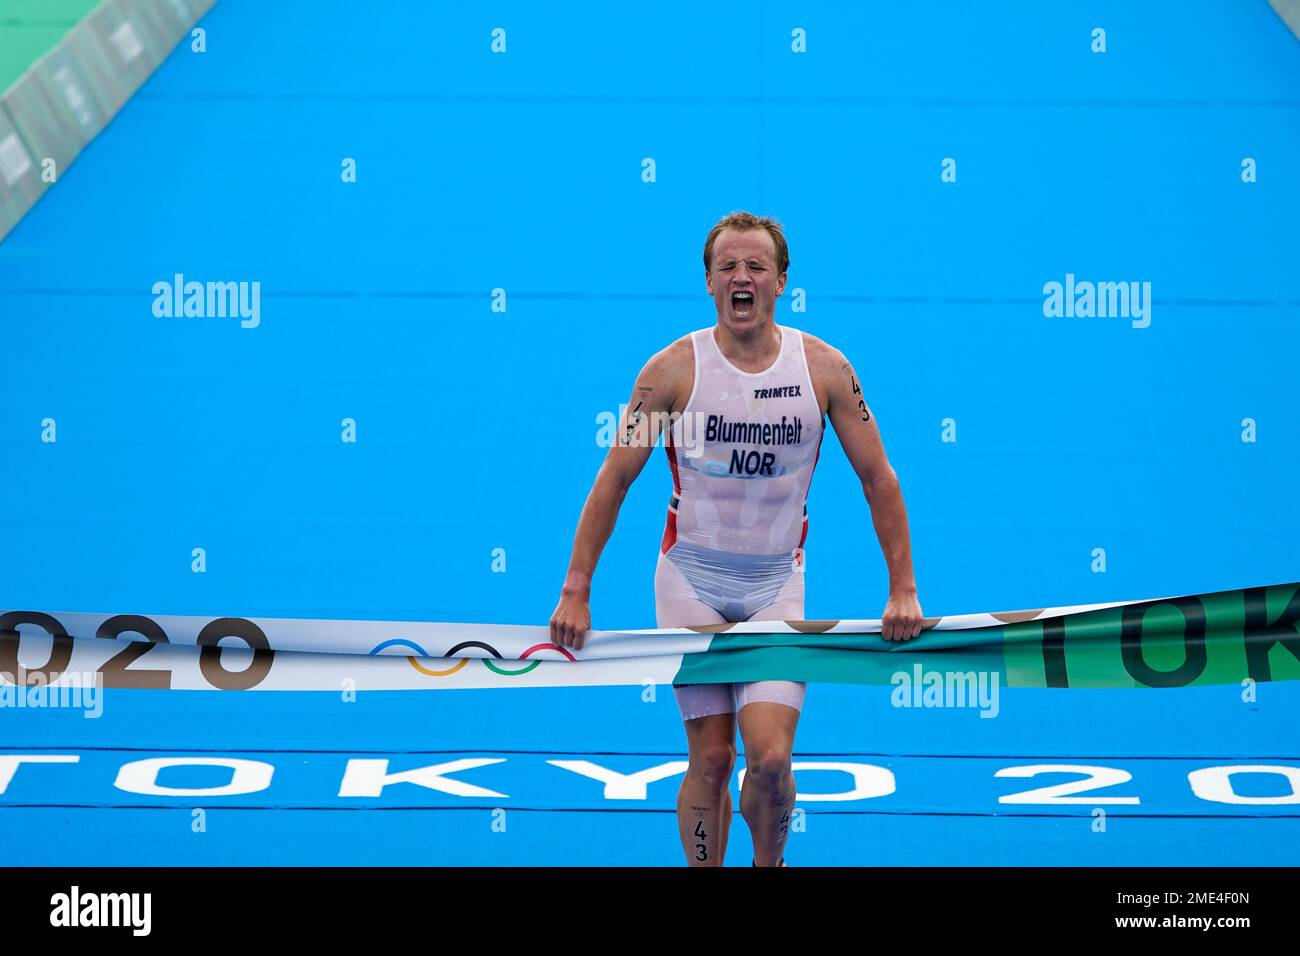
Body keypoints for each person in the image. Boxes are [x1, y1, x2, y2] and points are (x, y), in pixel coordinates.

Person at [549, 211, 923, 866]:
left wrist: (904, 589)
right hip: (689, 584)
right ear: (709, 283)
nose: (741, 278)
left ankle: (768, 861)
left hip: (776, 588)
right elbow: (612, 481)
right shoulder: (669, 372)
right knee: (713, 758)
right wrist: (575, 591)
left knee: (772, 761)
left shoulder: (827, 369)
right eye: (727, 268)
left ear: (781, 281)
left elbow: (879, 479)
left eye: (755, 267)